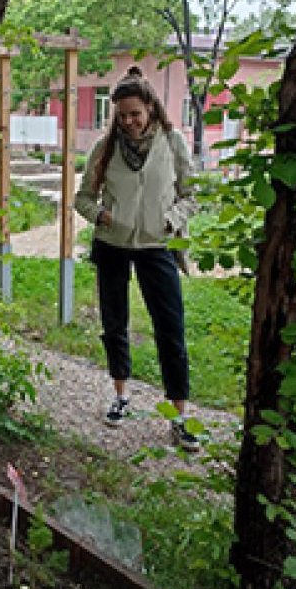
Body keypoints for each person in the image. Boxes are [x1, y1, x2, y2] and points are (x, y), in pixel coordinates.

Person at [74, 66, 200, 451]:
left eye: (135, 113)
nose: (128, 121)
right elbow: (82, 199)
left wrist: (170, 220)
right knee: (115, 324)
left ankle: (179, 416)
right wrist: (102, 216)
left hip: (156, 246)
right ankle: (120, 395)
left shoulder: (172, 142)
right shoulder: (105, 147)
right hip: (112, 243)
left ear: (150, 108)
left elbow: (192, 195)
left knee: (170, 330)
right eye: (122, 114)